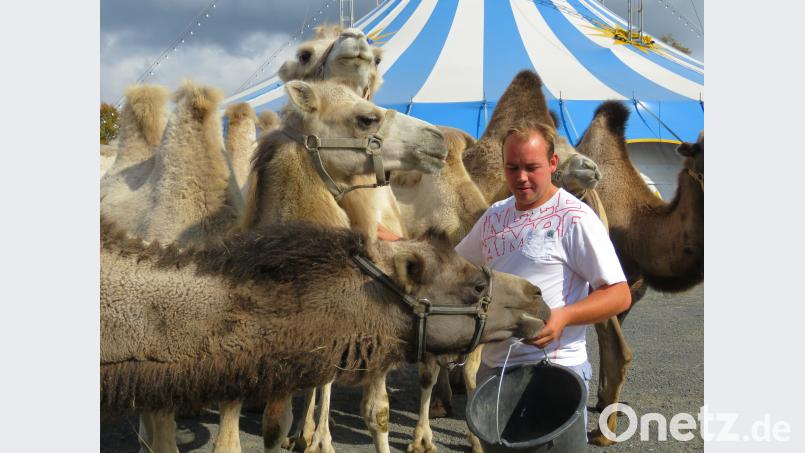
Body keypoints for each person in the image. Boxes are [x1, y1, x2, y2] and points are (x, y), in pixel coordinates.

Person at [454, 122, 631, 428]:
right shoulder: (495, 216)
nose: (521, 177)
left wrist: (564, 316)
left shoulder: (575, 218)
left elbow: (618, 293)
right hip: (494, 371)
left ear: (552, 164)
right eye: (513, 167)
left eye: (531, 167)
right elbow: (455, 269)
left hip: (554, 371)